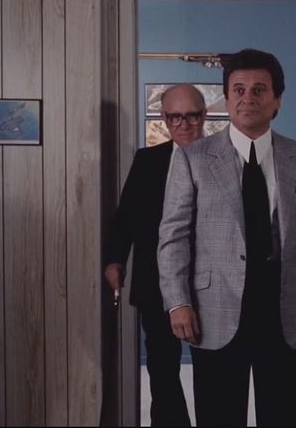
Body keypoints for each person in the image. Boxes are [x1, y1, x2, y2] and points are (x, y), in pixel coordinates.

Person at [158, 48, 296, 426]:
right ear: (227, 99)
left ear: (277, 100)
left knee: (284, 415)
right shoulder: (193, 158)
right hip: (215, 308)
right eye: (239, 90)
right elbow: (173, 236)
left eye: (259, 90)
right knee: (219, 415)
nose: (248, 98)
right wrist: (177, 302)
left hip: (284, 307)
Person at [104, 84, 208, 426]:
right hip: (156, 283)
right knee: (163, 370)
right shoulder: (147, 160)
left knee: (213, 373)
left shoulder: (225, 159)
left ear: (204, 115)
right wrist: (115, 259)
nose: (183, 124)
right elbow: (125, 217)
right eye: (174, 117)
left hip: (211, 287)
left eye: (191, 116)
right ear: (164, 118)